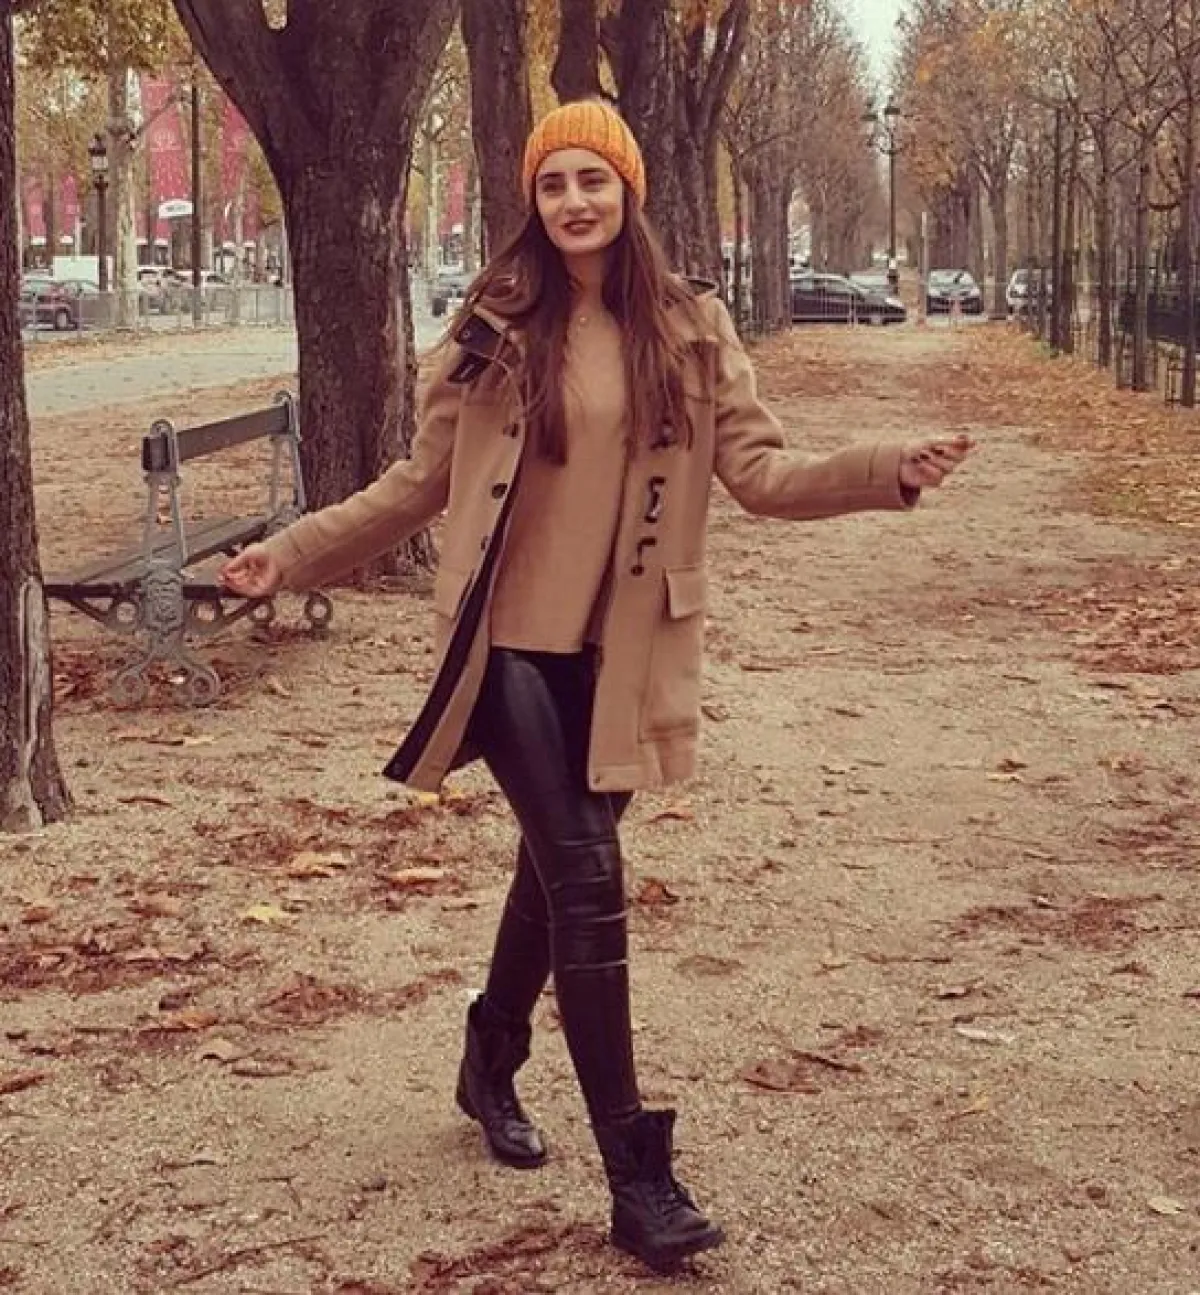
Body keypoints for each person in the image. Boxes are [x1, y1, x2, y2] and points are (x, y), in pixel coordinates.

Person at [220, 99, 973, 1274]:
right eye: (554, 182)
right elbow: (416, 485)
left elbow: (762, 474)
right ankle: (638, 1175)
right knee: (586, 874)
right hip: (508, 649)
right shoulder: (494, 327)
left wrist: (888, 468)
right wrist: (292, 553)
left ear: (628, 193)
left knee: (551, 872)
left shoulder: (690, 326)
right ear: (534, 200)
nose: (574, 200)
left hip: (622, 654)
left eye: (594, 179)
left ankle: (489, 1053)